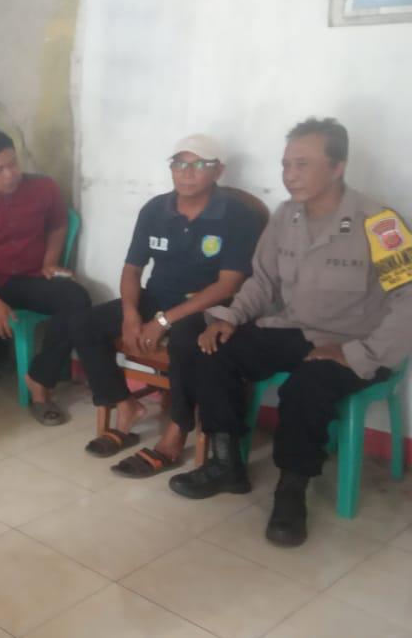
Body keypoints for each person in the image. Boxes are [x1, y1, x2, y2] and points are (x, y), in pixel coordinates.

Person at [169, 117, 412, 547]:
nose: (290, 175)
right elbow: (262, 282)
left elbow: (408, 302)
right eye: (285, 164)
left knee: (307, 386)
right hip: (296, 329)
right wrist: (230, 318)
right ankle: (226, 463)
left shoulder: (380, 224)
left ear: (337, 167)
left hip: (357, 342)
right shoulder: (286, 216)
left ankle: (291, 491)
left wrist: (356, 354)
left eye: (303, 164)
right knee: (212, 347)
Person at [74, 135, 262, 476]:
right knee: (86, 324)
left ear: (218, 171)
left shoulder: (239, 216)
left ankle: (176, 433)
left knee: (185, 340)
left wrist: (162, 322)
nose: (187, 173)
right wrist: (131, 314)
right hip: (158, 297)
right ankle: (125, 405)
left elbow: (228, 285)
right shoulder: (155, 210)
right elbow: (132, 269)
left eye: (199, 165)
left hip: (207, 306)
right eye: (179, 163)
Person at [0, 130, 91, 425]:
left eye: (13, 164)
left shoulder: (43, 188)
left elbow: (58, 225)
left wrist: (50, 262)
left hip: (30, 278)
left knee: (76, 298)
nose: (10, 174)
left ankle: (40, 383)